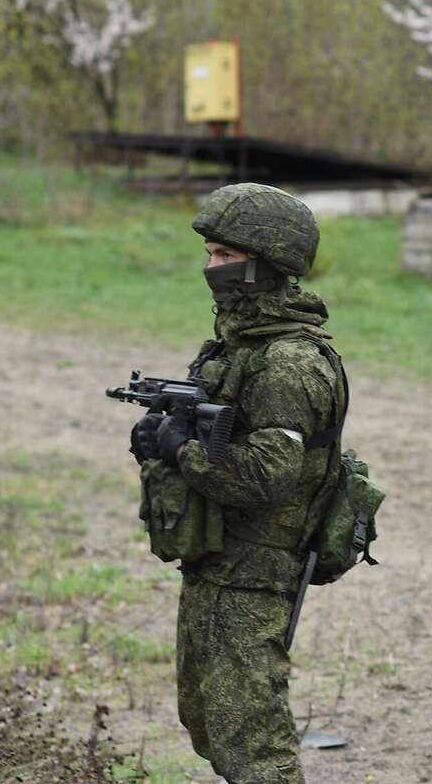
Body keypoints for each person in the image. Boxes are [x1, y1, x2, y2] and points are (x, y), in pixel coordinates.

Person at [129, 183, 348, 784]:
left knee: (254, 746)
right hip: (218, 561)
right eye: (210, 254)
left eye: (225, 256)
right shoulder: (239, 347)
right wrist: (160, 440)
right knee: (207, 720)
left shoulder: (289, 362)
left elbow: (268, 475)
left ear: (264, 263)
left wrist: (182, 451)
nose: (211, 267)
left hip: (255, 571)